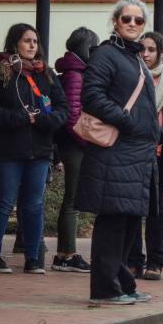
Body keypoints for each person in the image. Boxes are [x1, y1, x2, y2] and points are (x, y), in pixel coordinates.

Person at [75, 0, 159, 305]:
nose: (133, 25)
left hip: (136, 152)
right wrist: (128, 121)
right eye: (127, 19)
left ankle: (122, 282)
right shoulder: (106, 55)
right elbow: (92, 97)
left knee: (128, 222)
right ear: (115, 21)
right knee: (112, 221)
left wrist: (153, 131)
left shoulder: (135, 58)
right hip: (116, 151)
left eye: (139, 21)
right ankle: (105, 288)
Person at [0, 23, 69, 274]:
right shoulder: (1, 70)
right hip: (8, 150)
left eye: (35, 41)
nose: (32, 46)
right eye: (26, 41)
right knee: (5, 202)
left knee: (34, 205)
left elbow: (63, 109)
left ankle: (33, 257)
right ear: (15, 43)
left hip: (38, 150)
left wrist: (40, 120)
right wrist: (19, 117)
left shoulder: (46, 73)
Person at [126, 31, 163, 280]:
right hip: (134, 151)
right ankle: (133, 260)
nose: (145, 54)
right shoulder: (131, 75)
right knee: (133, 209)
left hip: (160, 152)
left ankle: (156, 261)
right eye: (142, 49)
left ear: (160, 53)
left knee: (156, 210)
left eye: (151, 49)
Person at [50, 27, 98, 273]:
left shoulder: (74, 71)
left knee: (72, 198)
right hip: (75, 143)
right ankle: (66, 254)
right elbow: (72, 115)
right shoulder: (75, 74)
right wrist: (86, 141)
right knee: (73, 199)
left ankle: (65, 252)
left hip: (73, 142)